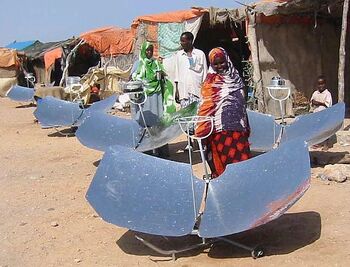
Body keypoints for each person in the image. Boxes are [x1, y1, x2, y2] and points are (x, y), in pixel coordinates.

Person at [195, 47, 251, 178]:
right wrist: (201, 130)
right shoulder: (210, 83)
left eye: (222, 62)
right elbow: (205, 107)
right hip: (221, 132)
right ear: (211, 64)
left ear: (227, 60)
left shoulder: (236, 77)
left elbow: (242, 104)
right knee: (228, 166)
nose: (220, 66)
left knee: (243, 164)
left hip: (238, 129)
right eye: (216, 64)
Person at [131, 41, 176, 126]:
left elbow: (164, 75)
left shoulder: (156, 63)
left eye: (151, 50)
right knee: (144, 112)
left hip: (156, 93)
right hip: (143, 94)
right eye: (147, 50)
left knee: (155, 110)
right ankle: (143, 128)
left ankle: (155, 128)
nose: (149, 52)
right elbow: (131, 78)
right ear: (143, 51)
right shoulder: (138, 64)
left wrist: (162, 75)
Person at [174, 32, 208, 108]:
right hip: (184, 91)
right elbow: (177, 75)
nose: (181, 43)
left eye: (183, 41)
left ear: (190, 41)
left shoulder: (200, 54)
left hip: (197, 91)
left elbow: (205, 74)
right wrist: (177, 90)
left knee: (197, 115)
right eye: (181, 41)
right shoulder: (179, 55)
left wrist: (205, 91)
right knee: (186, 116)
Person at [310, 75, 334, 150]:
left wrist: (319, 103)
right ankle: (317, 143)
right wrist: (314, 102)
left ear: (325, 84)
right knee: (316, 129)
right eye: (319, 84)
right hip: (316, 114)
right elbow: (312, 102)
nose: (321, 86)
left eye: (322, 84)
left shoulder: (327, 94)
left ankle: (326, 144)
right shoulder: (315, 93)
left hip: (324, 114)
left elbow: (328, 104)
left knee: (325, 129)